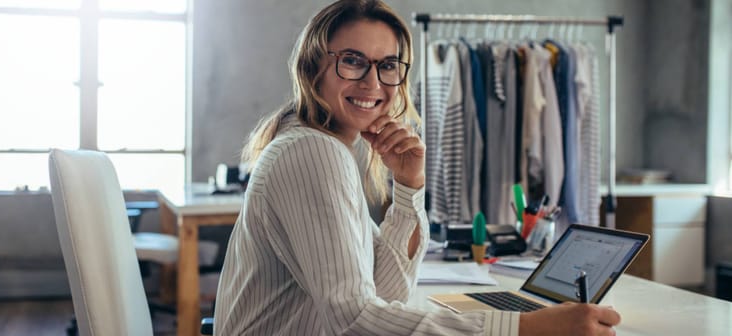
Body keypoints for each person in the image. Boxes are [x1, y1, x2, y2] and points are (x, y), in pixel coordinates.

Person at [213, 0, 621, 335]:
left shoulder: (325, 149)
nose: (373, 83)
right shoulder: (313, 153)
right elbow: (354, 319)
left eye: (387, 65)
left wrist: (409, 185)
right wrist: (523, 328)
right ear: (313, 68)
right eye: (352, 61)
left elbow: (387, 294)